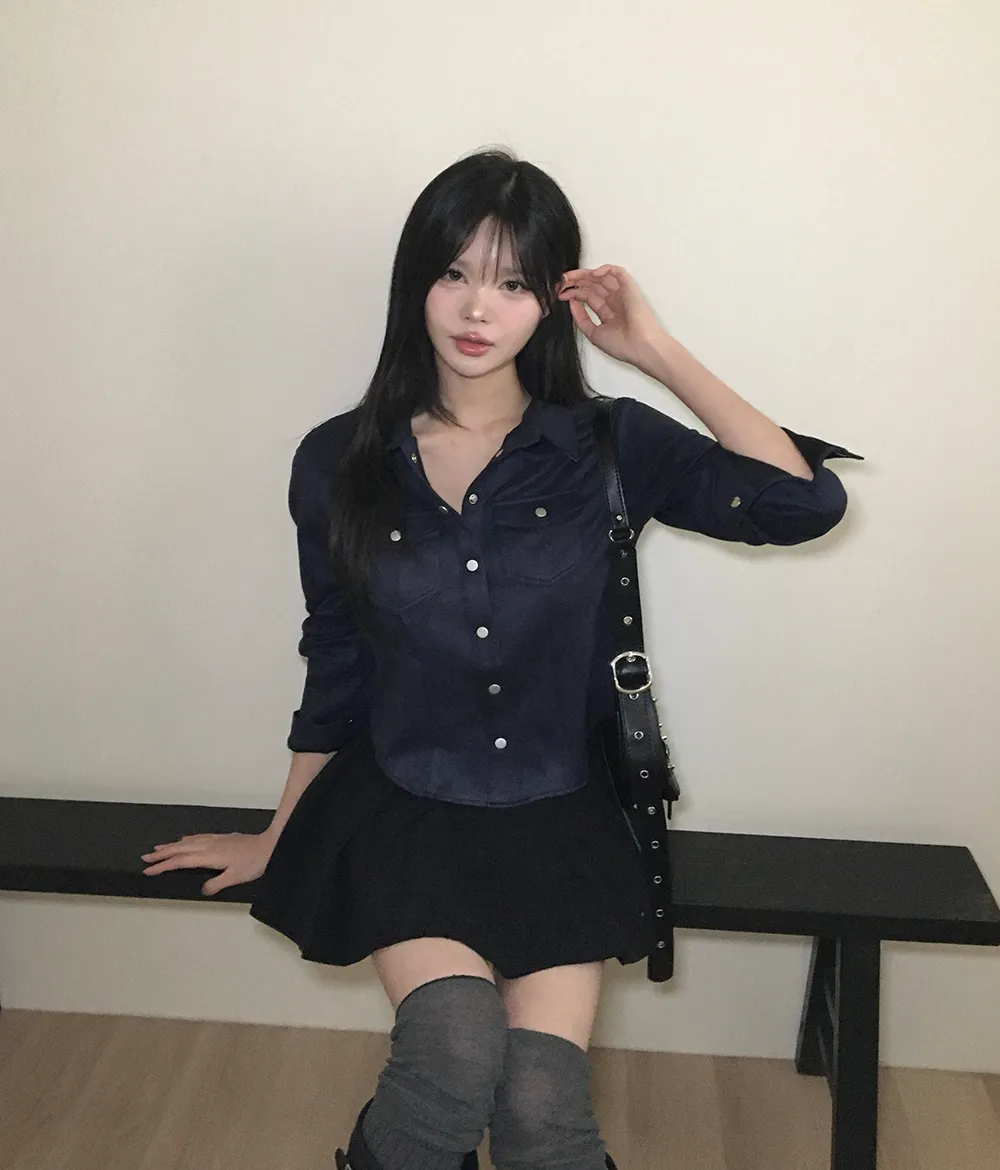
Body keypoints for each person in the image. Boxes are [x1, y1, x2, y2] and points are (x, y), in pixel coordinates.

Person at [140, 147, 859, 1170]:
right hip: (403, 810)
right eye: (455, 273)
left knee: (541, 1112)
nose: (478, 309)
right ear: (417, 282)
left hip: (560, 815)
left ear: (550, 302)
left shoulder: (607, 446)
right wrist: (280, 834)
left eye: (514, 283)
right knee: (451, 1055)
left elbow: (800, 504)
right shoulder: (339, 461)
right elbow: (335, 663)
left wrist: (653, 349)